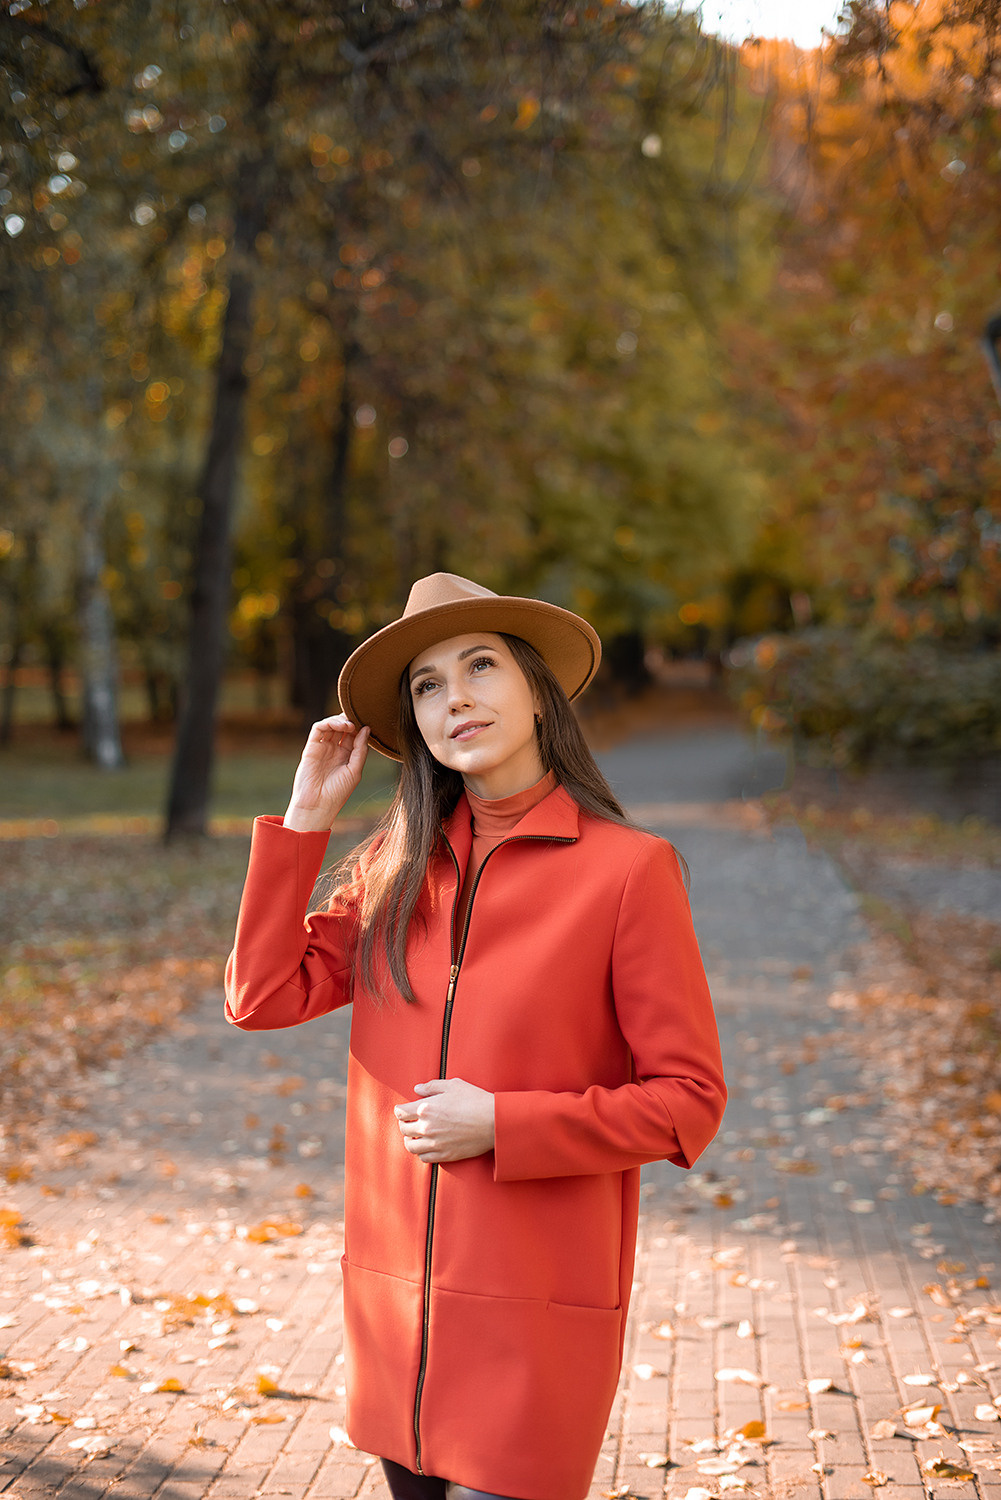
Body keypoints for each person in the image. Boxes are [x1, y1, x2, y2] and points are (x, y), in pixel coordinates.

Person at [225, 572, 726, 1500]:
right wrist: (304, 822)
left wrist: (506, 1123)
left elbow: (689, 1103)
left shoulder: (628, 873)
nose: (454, 696)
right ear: (411, 723)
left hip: (532, 1329)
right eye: (425, 684)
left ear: (535, 689)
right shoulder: (391, 869)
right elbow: (260, 995)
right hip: (394, 1327)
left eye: (481, 665)